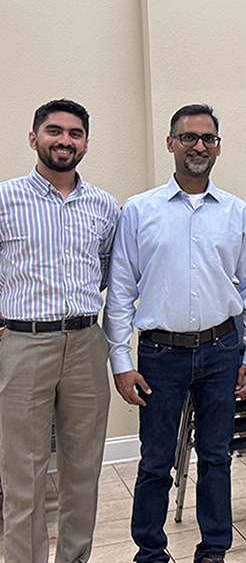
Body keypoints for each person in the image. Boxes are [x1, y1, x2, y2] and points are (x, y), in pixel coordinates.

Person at [104, 104, 246, 563]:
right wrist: (121, 361)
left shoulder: (237, 213)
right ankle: (150, 552)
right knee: (156, 461)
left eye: (208, 139)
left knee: (216, 457)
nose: (199, 146)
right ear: (171, 143)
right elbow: (119, 292)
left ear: (217, 147)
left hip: (222, 351)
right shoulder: (139, 211)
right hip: (160, 354)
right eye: (189, 137)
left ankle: (214, 549)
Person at [0, 99, 119, 563]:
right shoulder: (6, 199)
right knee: (22, 473)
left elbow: (108, 270)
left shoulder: (104, 205)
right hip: (25, 343)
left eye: (74, 133)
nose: (64, 141)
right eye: (54, 131)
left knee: (83, 470)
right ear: (34, 138)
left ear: (86, 143)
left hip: (87, 343)